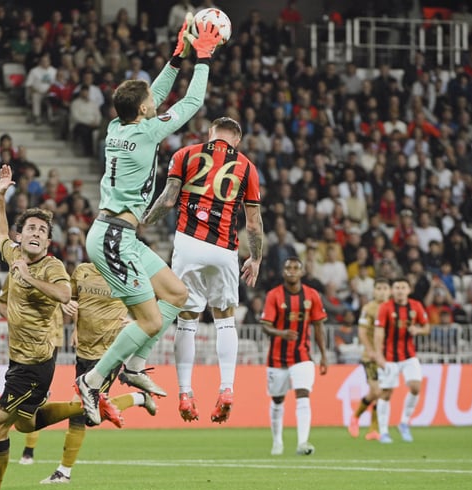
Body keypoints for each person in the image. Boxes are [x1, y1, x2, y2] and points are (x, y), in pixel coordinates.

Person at [75, 17, 223, 425]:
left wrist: (176, 58)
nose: (154, 103)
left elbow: (151, 96)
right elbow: (191, 103)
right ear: (142, 110)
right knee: (151, 319)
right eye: (149, 103)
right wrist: (203, 58)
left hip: (119, 235)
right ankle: (92, 381)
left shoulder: (118, 126)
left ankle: (135, 366)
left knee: (177, 295)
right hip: (113, 236)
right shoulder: (145, 133)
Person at [0, 165, 121, 490]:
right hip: (18, 358)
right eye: (30, 228)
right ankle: (89, 403)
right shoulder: (15, 254)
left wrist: (28, 277)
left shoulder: (52, 267)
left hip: (35, 362)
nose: (35, 232)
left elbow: (64, 294)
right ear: (21, 237)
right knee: (25, 424)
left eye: (42, 230)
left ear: (48, 241)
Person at [144, 116, 263, 423]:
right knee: (225, 320)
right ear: (237, 140)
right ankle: (227, 389)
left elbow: (168, 200)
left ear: (210, 133)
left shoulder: (185, 154)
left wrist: (144, 221)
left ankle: (185, 393)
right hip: (224, 248)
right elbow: (253, 223)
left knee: (186, 320)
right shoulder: (247, 166)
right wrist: (256, 258)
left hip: (189, 243)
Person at [28, 263, 158, 483]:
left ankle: (63, 472)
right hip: (84, 351)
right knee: (88, 414)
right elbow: (73, 301)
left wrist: (137, 320)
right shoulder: (82, 271)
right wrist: (72, 320)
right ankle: (139, 398)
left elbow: (155, 301)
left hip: (109, 353)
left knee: (82, 410)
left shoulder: (126, 271)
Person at [261, 257, 328, 456]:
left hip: (302, 355)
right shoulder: (274, 295)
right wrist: (281, 333)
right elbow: (265, 326)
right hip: (277, 358)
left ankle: (302, 442)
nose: (291, 271)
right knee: (278, 400)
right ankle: (277, 442)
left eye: (295, 268)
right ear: (283, 272)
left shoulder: (312, 295)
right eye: (288, 268)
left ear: (302, 272)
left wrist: (324, 355)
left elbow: (318, 326)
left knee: (303, 394)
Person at [373, 277, 431, 444]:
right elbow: (378, 333)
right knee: (386, 393)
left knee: (415, 387)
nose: (400, 290)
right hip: (389, 357)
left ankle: (404, 423)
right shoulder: (385, 307)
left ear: (409, 290)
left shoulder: (416, 306)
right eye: (397, 287)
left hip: (409, 356)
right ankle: (384, 432)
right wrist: (379, 356)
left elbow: (427, 327)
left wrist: (418, 330)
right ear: (392, 290)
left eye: (403, 287)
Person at [348, 279, 391, 440]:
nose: (382, 291)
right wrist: (371, 351)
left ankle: (359, 419)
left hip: (388, 357)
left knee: (378, 393)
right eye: (379, 288)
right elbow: (362, 332)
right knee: (378, 391)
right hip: (370, 357)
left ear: (389, 291)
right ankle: (369, 426)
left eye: (385, 288)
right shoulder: (368, 308)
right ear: (374, 291)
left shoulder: (393, 308)